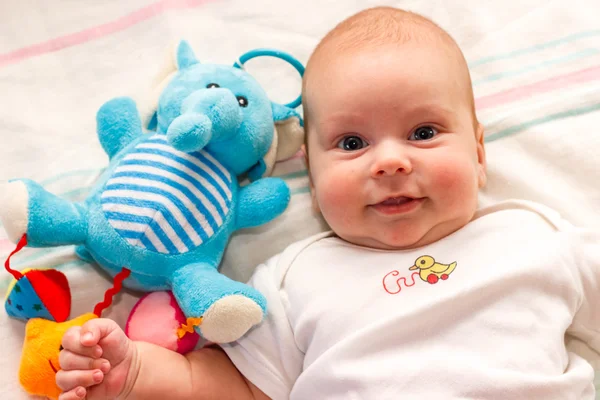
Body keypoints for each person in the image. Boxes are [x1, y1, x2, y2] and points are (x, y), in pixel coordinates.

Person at [56, 6, 600, 400]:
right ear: (312, 183)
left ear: (479, 152)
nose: (389, 162)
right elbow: (237, 385)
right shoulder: (296, 275)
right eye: (352, 144)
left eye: (424, 131)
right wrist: (133, 374)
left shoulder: (533, 234)